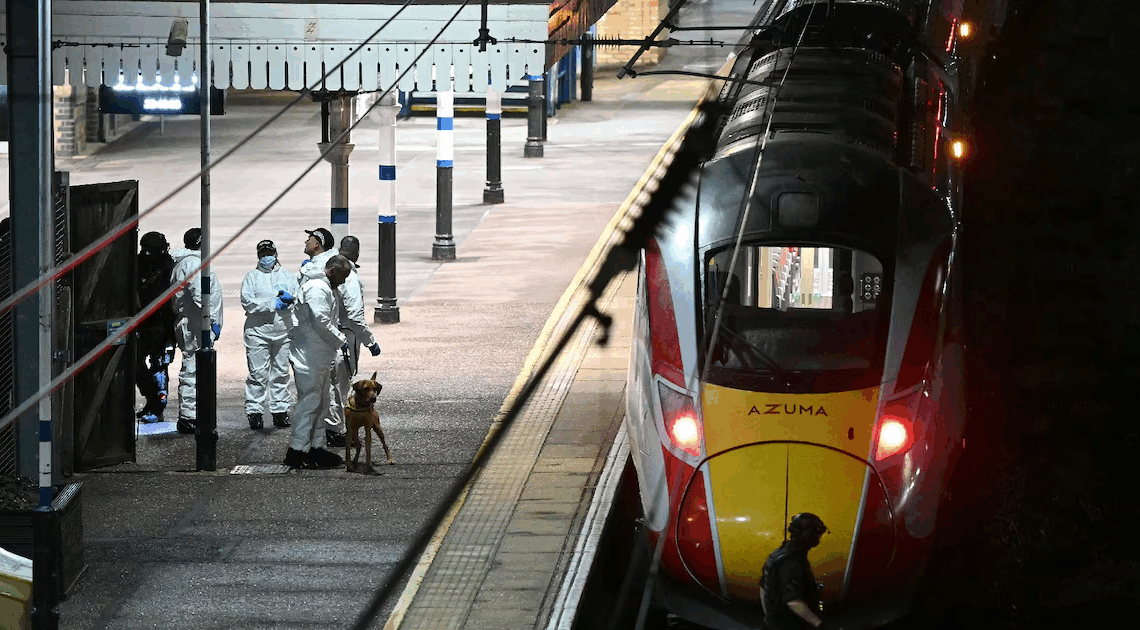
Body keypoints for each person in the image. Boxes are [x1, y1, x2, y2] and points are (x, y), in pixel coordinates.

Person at [284, 254, 351, 469]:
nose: (344, 281)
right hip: (309, 356)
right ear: (332, 270)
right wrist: (341, 340)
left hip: (318, 355)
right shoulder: (317, 288)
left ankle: (316, 447)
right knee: (309, 403)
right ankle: (297, 450)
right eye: (343, 276)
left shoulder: (325, 288)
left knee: (320, 404)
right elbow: (320, 320)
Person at [324, 235, 382, 447]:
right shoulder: (352, 279)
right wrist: (370, 341)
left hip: (327, 338)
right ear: (357, 255)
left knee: (327, 386)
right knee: (340, 387)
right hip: (345, 340)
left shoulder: (326, 270)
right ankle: (335, 430)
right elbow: (356, 317)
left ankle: (327, 428)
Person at [170, 227, 224, 435]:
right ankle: (188, 416)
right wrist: (209, 319)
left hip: (196, 321)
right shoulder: (192, 263)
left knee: (195, 368)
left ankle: (192, 413)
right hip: (195, 323)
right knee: (192, 368)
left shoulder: (189, 261)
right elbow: (200, 294)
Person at [240, 239, 299, 430]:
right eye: (263, 254)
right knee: (258, 374)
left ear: (276, 254)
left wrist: (291, 300)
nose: (267, 257)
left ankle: (280, 411)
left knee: (281, 372)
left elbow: (299, 298)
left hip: (283, 332)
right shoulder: (252, 277)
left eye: (269, 253)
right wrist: (272, 304)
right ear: (258, 256)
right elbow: (248, 303)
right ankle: (254, 412)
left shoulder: (288, 276)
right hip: (258, 333)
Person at [760, 513, 829, 630]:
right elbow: (793, 602)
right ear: (809, 536)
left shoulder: (778, 553)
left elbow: (763, 588)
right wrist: (818, 624)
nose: (818, 539)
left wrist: (769, 617)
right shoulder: (792, 562)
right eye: (817, 535)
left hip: (773, 624)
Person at [135, 231, 176, 423]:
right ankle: (152, 401)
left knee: (159, 366)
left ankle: (157, 407)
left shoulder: (168, 266)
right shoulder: (142, 264)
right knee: (139, 365)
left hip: (161, 325)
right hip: (146, 324)